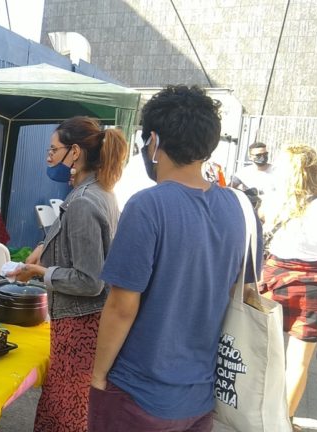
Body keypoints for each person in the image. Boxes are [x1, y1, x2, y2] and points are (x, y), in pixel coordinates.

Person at [89, 85, 255, 432]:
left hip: (138, 395)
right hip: (200, 397)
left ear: (153, 141)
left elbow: (122, 305)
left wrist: (99, 375)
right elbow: (243, 292)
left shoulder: (147, 206)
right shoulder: (239, 207)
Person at [8, 117, 128, 432]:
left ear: (74, 153)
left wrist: (42, 272)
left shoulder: (84, 202)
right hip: (83, 323)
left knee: (66, 414)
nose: (48, 157)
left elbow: (90, 280)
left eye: (53, 149)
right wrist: (40, 248)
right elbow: (75, 244)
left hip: (81, 326)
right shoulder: (97, 192)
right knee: (68, 409)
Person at [258, 145, 317, 427]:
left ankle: (255, 412)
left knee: (261, 355)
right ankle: (284, 421)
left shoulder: (273, 201)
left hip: (274, 284)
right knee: (299, 364)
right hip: (314, 289)